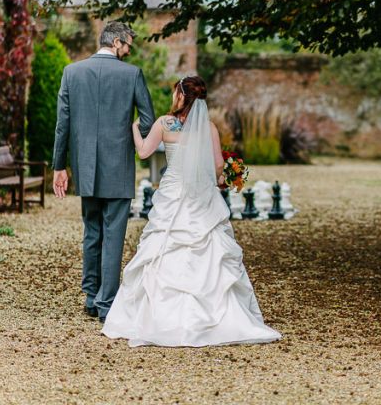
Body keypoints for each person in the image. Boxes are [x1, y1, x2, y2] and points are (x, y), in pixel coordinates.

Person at [101, 76, 282, 347]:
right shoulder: (209, 128)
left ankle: (157, 319)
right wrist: (227, 177)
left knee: (163, 246)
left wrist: (135, 127)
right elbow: (218, 167)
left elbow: (144, 152)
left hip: (173, 193)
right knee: (210, 246)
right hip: (200, 195)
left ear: (180, 95)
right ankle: (218, 318)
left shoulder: (164, 123)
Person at [53, 21, 156, 324]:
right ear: (116, 42)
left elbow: (62, 125)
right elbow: (147, 120)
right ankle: (106, 303)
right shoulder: (132, 74)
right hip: (118, 167)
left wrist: (59, 166)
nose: (129, 51)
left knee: (92, 231)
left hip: (85, 167)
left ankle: (90, 296)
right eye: (127, 46)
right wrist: (133, 138)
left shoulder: (72, 72)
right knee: (113, 235)